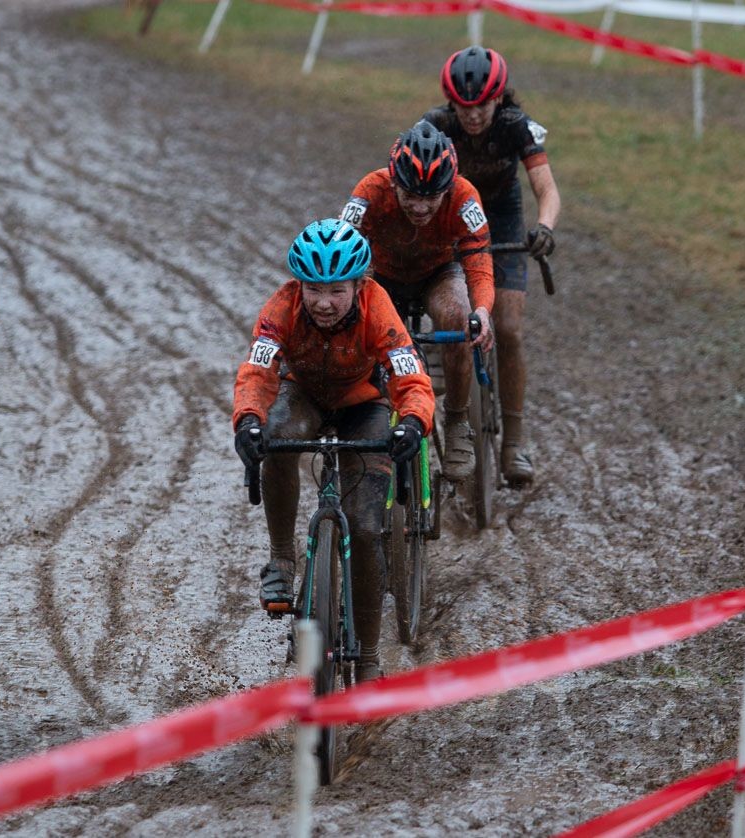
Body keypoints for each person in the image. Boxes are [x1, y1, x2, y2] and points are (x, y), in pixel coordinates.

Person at [232, 218, 435, 681]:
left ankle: (366, 657)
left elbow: (411, 378)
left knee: (364, 528)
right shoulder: (282, 306)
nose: (323, 303)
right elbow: (257, 371)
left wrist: (411, 423)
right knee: (276, 437)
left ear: (359, 285)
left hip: (363, 405)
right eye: (314, 289)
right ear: (299, 285)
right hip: (302, 395)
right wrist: (248, 419)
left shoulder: (378, 309)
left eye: (336, 291)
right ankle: (283, 558)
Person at [422, 46, 561, 487]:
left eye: (481, 104)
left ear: (498, 98)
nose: (473, 115)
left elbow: (547, 189)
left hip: (500, 214)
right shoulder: (436, 126)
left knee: (509, 328)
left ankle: (513, 443)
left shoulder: (516, 127)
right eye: (464, 106)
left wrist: (543, 227)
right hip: (451, 213)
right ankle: (444, 353)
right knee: (444, 291)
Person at [339, 119, 494, 484]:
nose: (421, 207)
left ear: (448, 188)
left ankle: (456, 420)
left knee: (458, 315)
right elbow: (343, 247)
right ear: (394, 181)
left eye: (431, 197)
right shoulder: (370, 189)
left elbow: (480, 263)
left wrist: (483, 311)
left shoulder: (464, 196)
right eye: (411, 196)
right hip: (381, 273)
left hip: (437, 273)